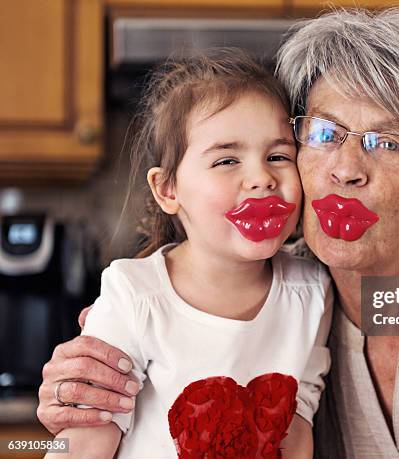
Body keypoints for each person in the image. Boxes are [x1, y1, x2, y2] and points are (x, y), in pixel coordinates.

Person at [38, 8, 399, 458]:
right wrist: (84, 391)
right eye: (324, 134)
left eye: (387, 142)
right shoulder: (288, 286)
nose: (345, 167)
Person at [44, 50, 332, 459]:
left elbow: (297, 425)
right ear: (168, 189)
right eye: (227, 160)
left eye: (278, 157)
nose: (262, 178)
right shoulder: (133, 295)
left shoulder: (312, 292)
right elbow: (84, 440)